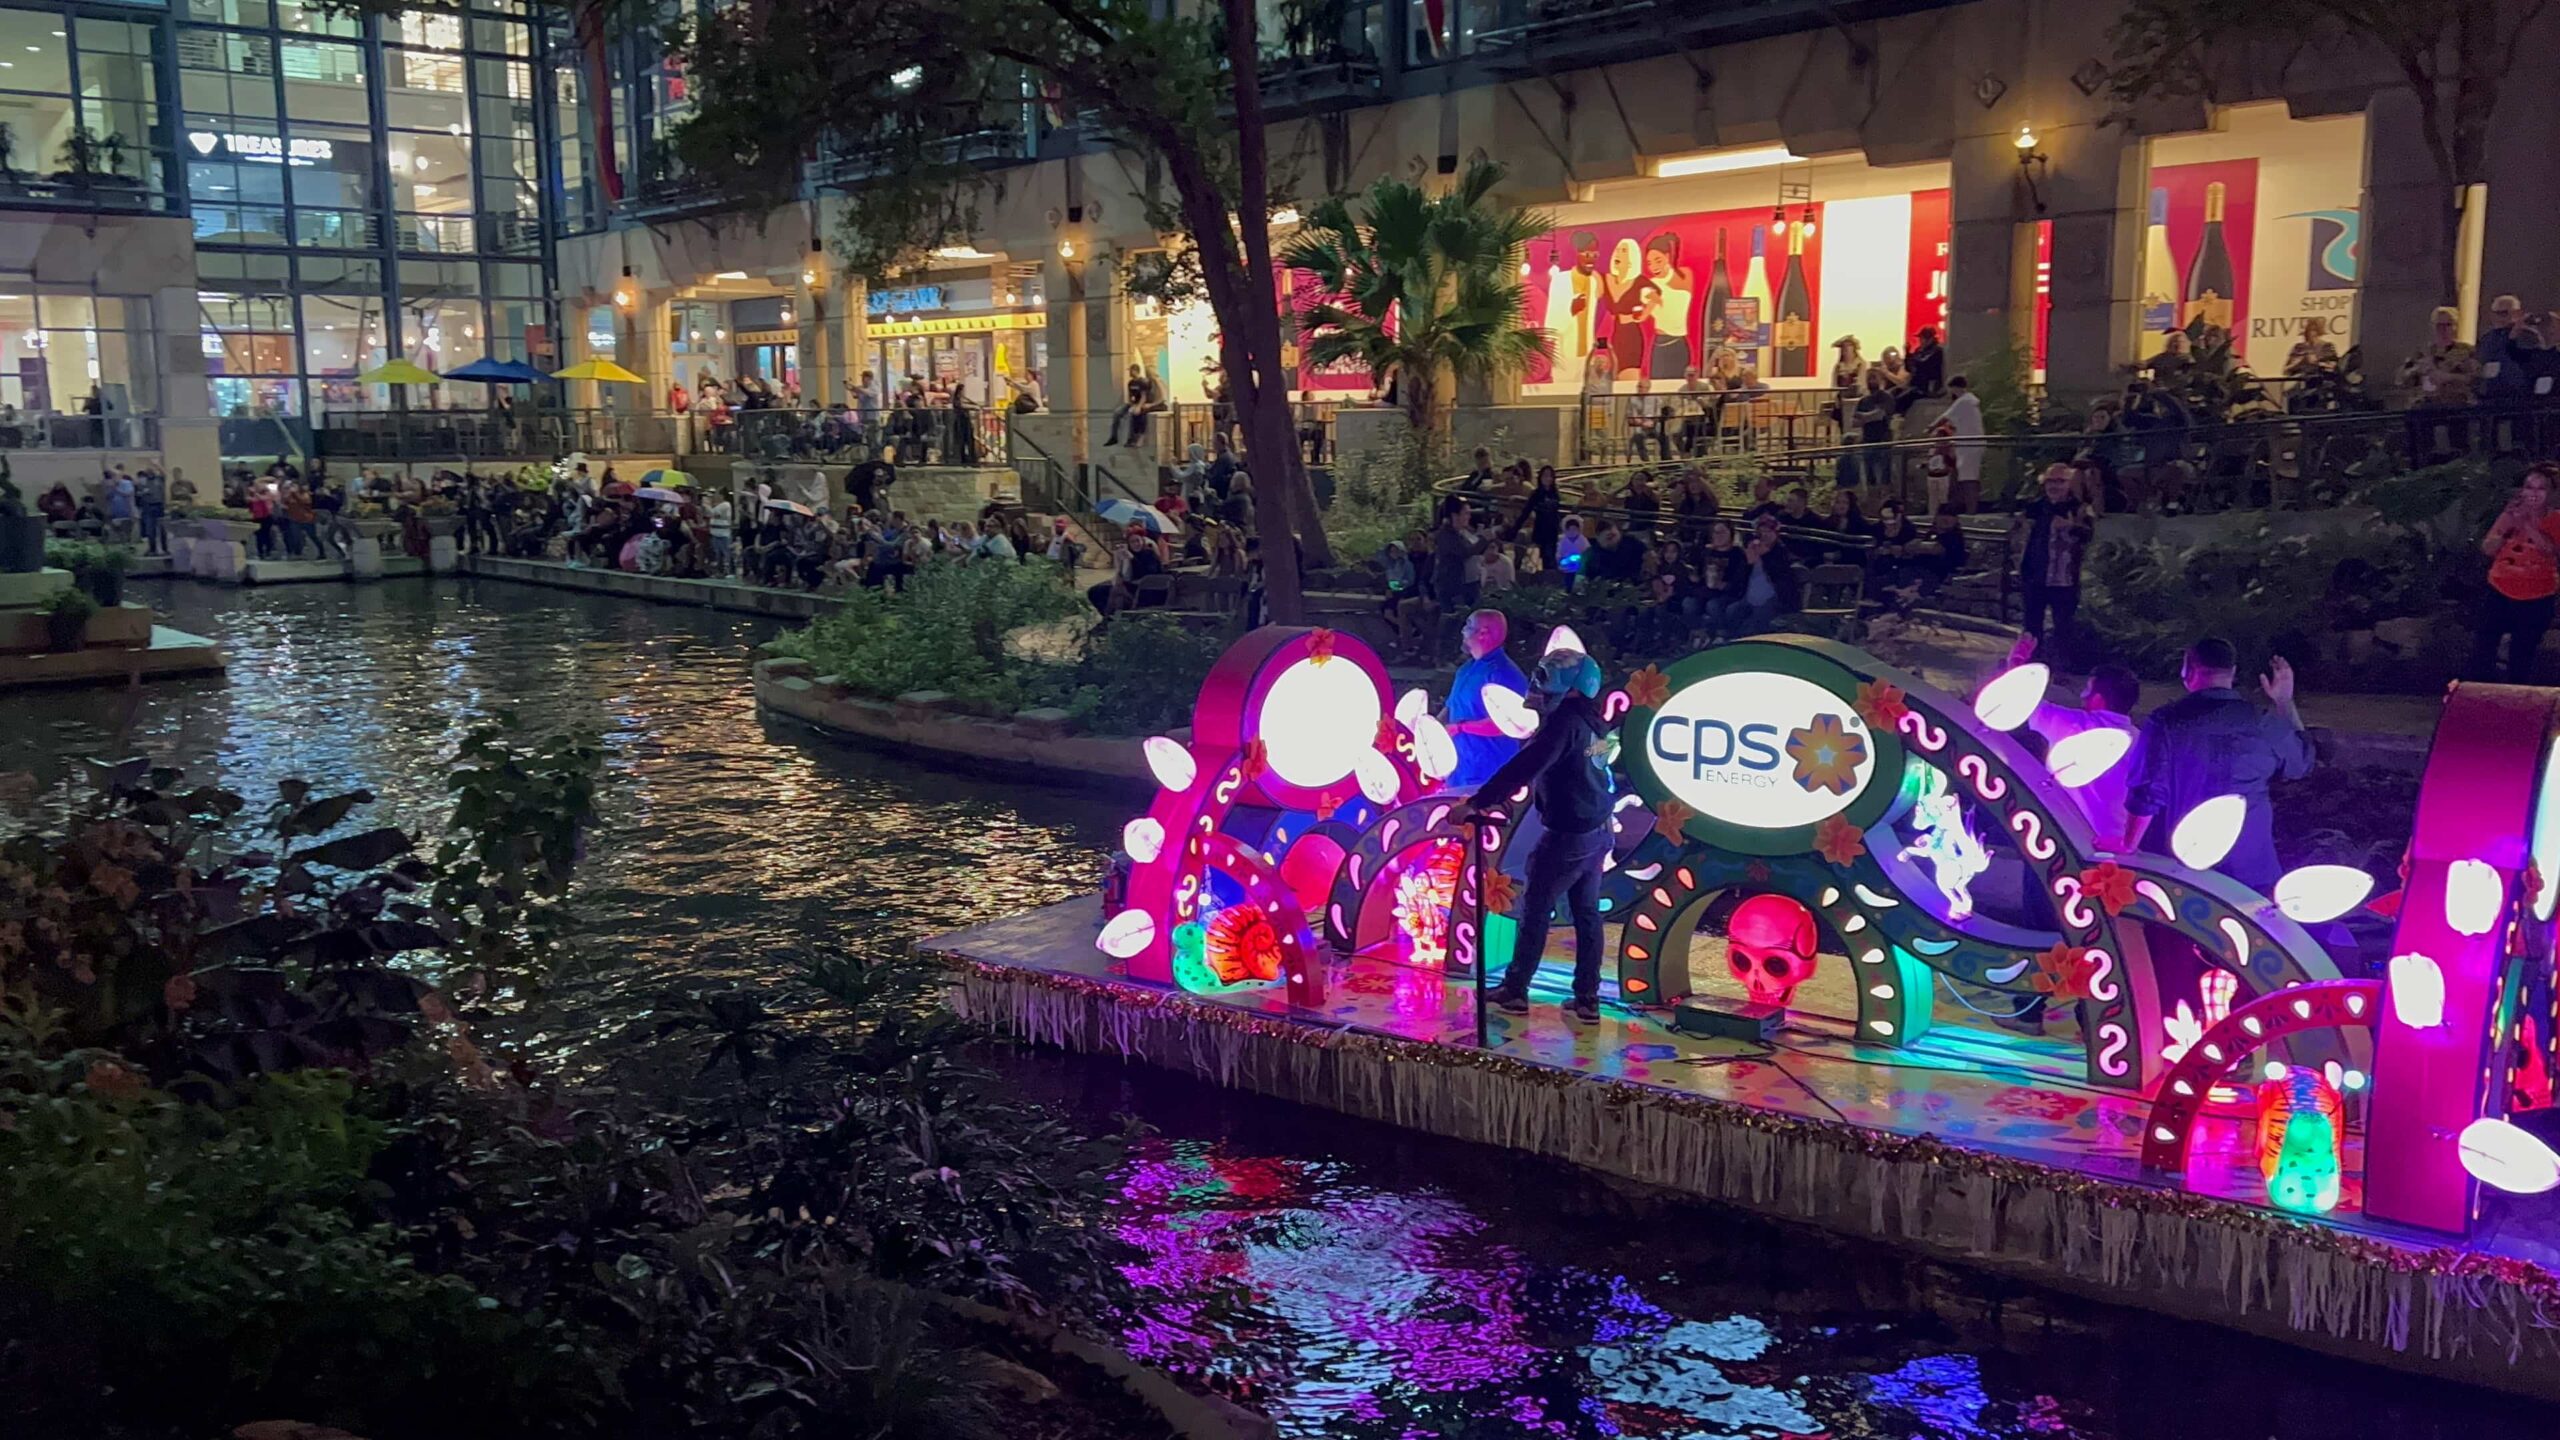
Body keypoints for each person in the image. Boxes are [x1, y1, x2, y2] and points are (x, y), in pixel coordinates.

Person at [1465, 647, 1617, 1024]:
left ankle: (1516, 990)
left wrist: (1478, 802)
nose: (1538, 687)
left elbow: (1527, 766)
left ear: (1572, 687)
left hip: (1568, 834)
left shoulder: (1563, 723)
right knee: (1586, 915)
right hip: (1597, 831)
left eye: (1547, 679)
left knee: (1535, 908)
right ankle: (1587, 999)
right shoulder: (1593, 721)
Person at [2122, 638, 2314, 894]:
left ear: (2188, 669)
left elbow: (2146, 794)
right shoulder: (2263, 721)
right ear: (2232, 672)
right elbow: (2301, 764)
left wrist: (2127, 849)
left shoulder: (2166, 722)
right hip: (2251, 871)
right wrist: (2284, 703)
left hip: (2179, 871)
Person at [2470, 462, 2560, 683]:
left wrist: (2527, 524)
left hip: (2537, 595)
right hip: (2500, 588)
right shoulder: (2509, 515)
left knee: (2522, 651)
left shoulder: (2556, 519)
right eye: (2529, 487)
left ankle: (2517, 702)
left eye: (2540, 488)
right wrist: (2505, 529)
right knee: (2484, 644)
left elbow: (2550, 549)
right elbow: (2488, 547)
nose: (2533, 493)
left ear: (2551, 493)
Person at [1440, 609, 1531, 792]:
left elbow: (1507, 725)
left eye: (1468, 626)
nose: (1463, 631)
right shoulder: (1466, 669)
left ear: (1483, 632)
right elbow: (1450, 707)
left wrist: (1460, 727)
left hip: (1489, 772)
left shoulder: (1504, 674)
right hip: (1458, 771)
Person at [2011, 463, 2093, 665]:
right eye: (2050, 481)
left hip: (2064, 578)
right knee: (2031, 626)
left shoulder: (2080, 509)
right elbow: (2017, 535)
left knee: (2063, 627)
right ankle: (2029, 666)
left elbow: (2089, 535)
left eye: (2060, 481)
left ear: (2070, 483)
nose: (2054, 486)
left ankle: (2061, 670)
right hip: (2035, 575)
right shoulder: (2034, 508)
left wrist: (2070, 527)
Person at [1707, 513, 1799, 638]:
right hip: (1748, 598)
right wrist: (1749, 563)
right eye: (1761, 532)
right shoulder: (1753, 549)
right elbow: (1740, 579)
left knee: (1750, 626)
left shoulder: (1781, 551)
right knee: (1731, 611)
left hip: (1773, 599)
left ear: (1775, 533)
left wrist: (1765, 556)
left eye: (1768, 531)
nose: (1764, 535)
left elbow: (1782, 577)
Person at [1941, 374, 1984, 505]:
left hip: (1969, 444)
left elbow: (1945, 417)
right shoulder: (1969, 402)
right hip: (1968, 443)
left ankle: (1971, 508)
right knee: (1966, 476)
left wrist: (1930, 428)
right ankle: (1964, 505)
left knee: (1968, 478)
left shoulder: (1963, 401)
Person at [1904, 326, 1945, 400]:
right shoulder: (1919, 350)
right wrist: (1907, 354)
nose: (1920, 341)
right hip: (1915, 384)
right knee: (1896, 392)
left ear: (1930, 339)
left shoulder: (1936, 350)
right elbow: (1909, 368)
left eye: (1922, 338)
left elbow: (1923, 363)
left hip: (1926, 386)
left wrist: (1913, 358)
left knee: (1906, 397)